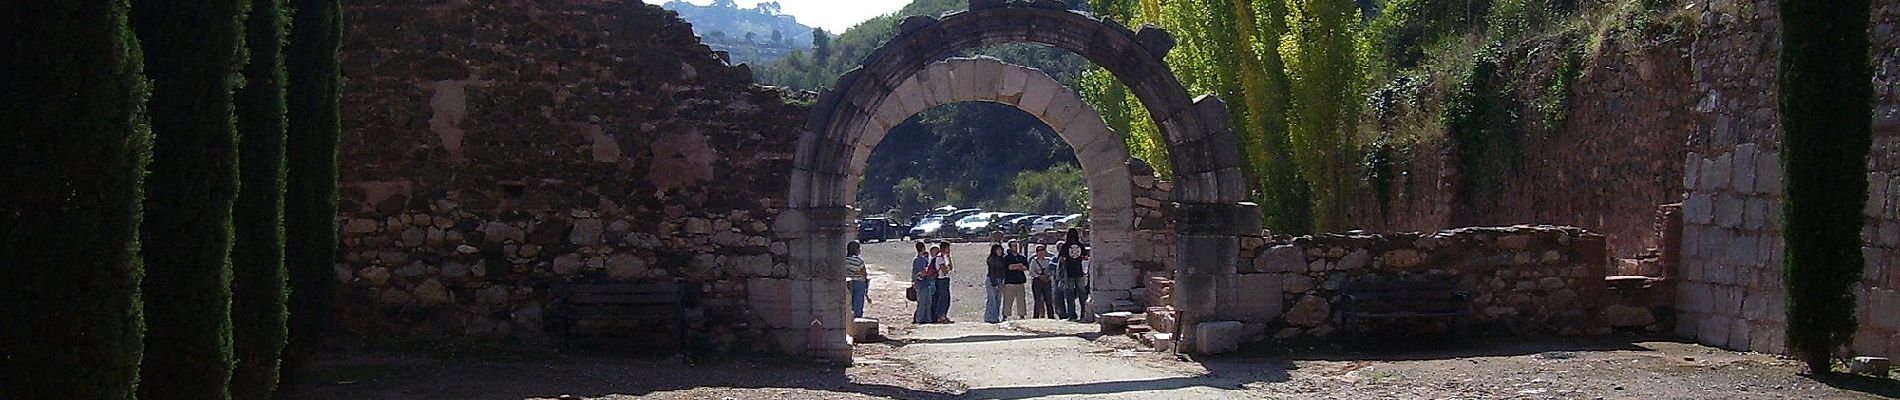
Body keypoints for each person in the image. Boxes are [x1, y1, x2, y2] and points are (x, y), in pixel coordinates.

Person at [1003, 240, 1030, 320]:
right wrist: (1018, 266)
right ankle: (1005, 315)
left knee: (1021, 299)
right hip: (1010, 281)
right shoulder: (1006, 257)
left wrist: (1017, 267)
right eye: (1014, 245)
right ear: (1010, 247)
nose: (1016, 247)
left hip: (1020, 281)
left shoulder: (1022, 257)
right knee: (1008, 300)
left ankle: (1022, 315)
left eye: (1016, 245)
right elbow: (1009, 267)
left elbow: (1025, 267)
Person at [912, 241, 937, 324]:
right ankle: (920, 319)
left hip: (926, 283)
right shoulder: (917, 260)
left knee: (928, 302)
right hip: (920, 284)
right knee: (922, 302)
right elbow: (918, 273)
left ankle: (928, 319)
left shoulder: (923, 259)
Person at [1029, 243, 1055, 319]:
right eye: (1039, 252)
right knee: (1037, 300)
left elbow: (1052, 269)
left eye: (1043, 251)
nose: (1041, 253)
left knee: (1048, 299)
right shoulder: (1034, 261)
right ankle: (1036, 316)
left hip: (1047, 281)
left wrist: (1047, 276)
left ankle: (1051, 316)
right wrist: (1039, 276)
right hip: (1037, 281)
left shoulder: (1049, 260)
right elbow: (1031, 272)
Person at [982, 244, 1007, 323]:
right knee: (992, 299)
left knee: (998, 300)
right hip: (992, 280)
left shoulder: (1002, 259)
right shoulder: (992, 259)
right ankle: (990, 317)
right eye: (998, 250)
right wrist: (994, 283)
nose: (1000, 251)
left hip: (1000, 280)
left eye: (1001, 250)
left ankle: (996, 317)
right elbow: (992, 271)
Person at [931, 241, 954, 323]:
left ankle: (944, 315)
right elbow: (944, 270)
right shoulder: (939, 257)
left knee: (947, 298)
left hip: (946, 279)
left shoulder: (945, 257)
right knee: (943, 298)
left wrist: (949, 257)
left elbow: (951, 267)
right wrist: (947, 268)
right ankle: (940, 316)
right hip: (941, 279)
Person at [846, 241, 869, 319]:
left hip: (847, 283)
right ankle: (857, 317)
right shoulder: (859, 261)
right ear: (856, 250)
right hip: (859, 282)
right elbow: (864, 273)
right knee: (858, 301)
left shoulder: (845, 260)